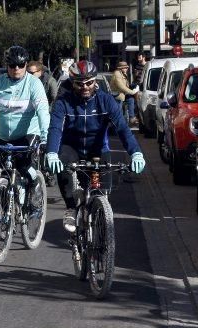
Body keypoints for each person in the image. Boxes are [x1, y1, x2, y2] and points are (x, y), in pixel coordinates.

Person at [45, 60, 144, 232]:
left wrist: (136, 153)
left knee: (101, 193)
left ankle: (100, 228)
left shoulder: (106, 101)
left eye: (89, 83)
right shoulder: (63, 102)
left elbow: (122, 129)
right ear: (73, 83)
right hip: (71, 147)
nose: (85, 87)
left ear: (95, 81)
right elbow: (55, 129)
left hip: (98, 150)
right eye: (80, 84)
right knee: (62, 165)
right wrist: (52, 152)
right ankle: (71, 208)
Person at [0, 46, 50, 201]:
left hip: (28, 134)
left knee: (23, 166)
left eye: (21, 65)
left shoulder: (34, 84)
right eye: (12, 65)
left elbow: (43, 112)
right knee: (3, 171)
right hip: (3, 136)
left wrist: (45, 138)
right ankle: (6, 213)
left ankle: (35, 184)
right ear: (7, 66)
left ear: (26, 64)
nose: (16, 69)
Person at [110, 60, 140, 127]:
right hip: (117, 96)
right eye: (125, 68)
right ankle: (118, 127)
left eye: (127, 67)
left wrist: (132, 87)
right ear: (120, 68)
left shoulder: (123, 74)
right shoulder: (117, 74)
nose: (126, 69)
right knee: (119, 113)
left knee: (130, 99)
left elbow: (126, 85)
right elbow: (121, 86)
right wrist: (132, 92)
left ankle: (131, 117)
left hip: (122, 94)